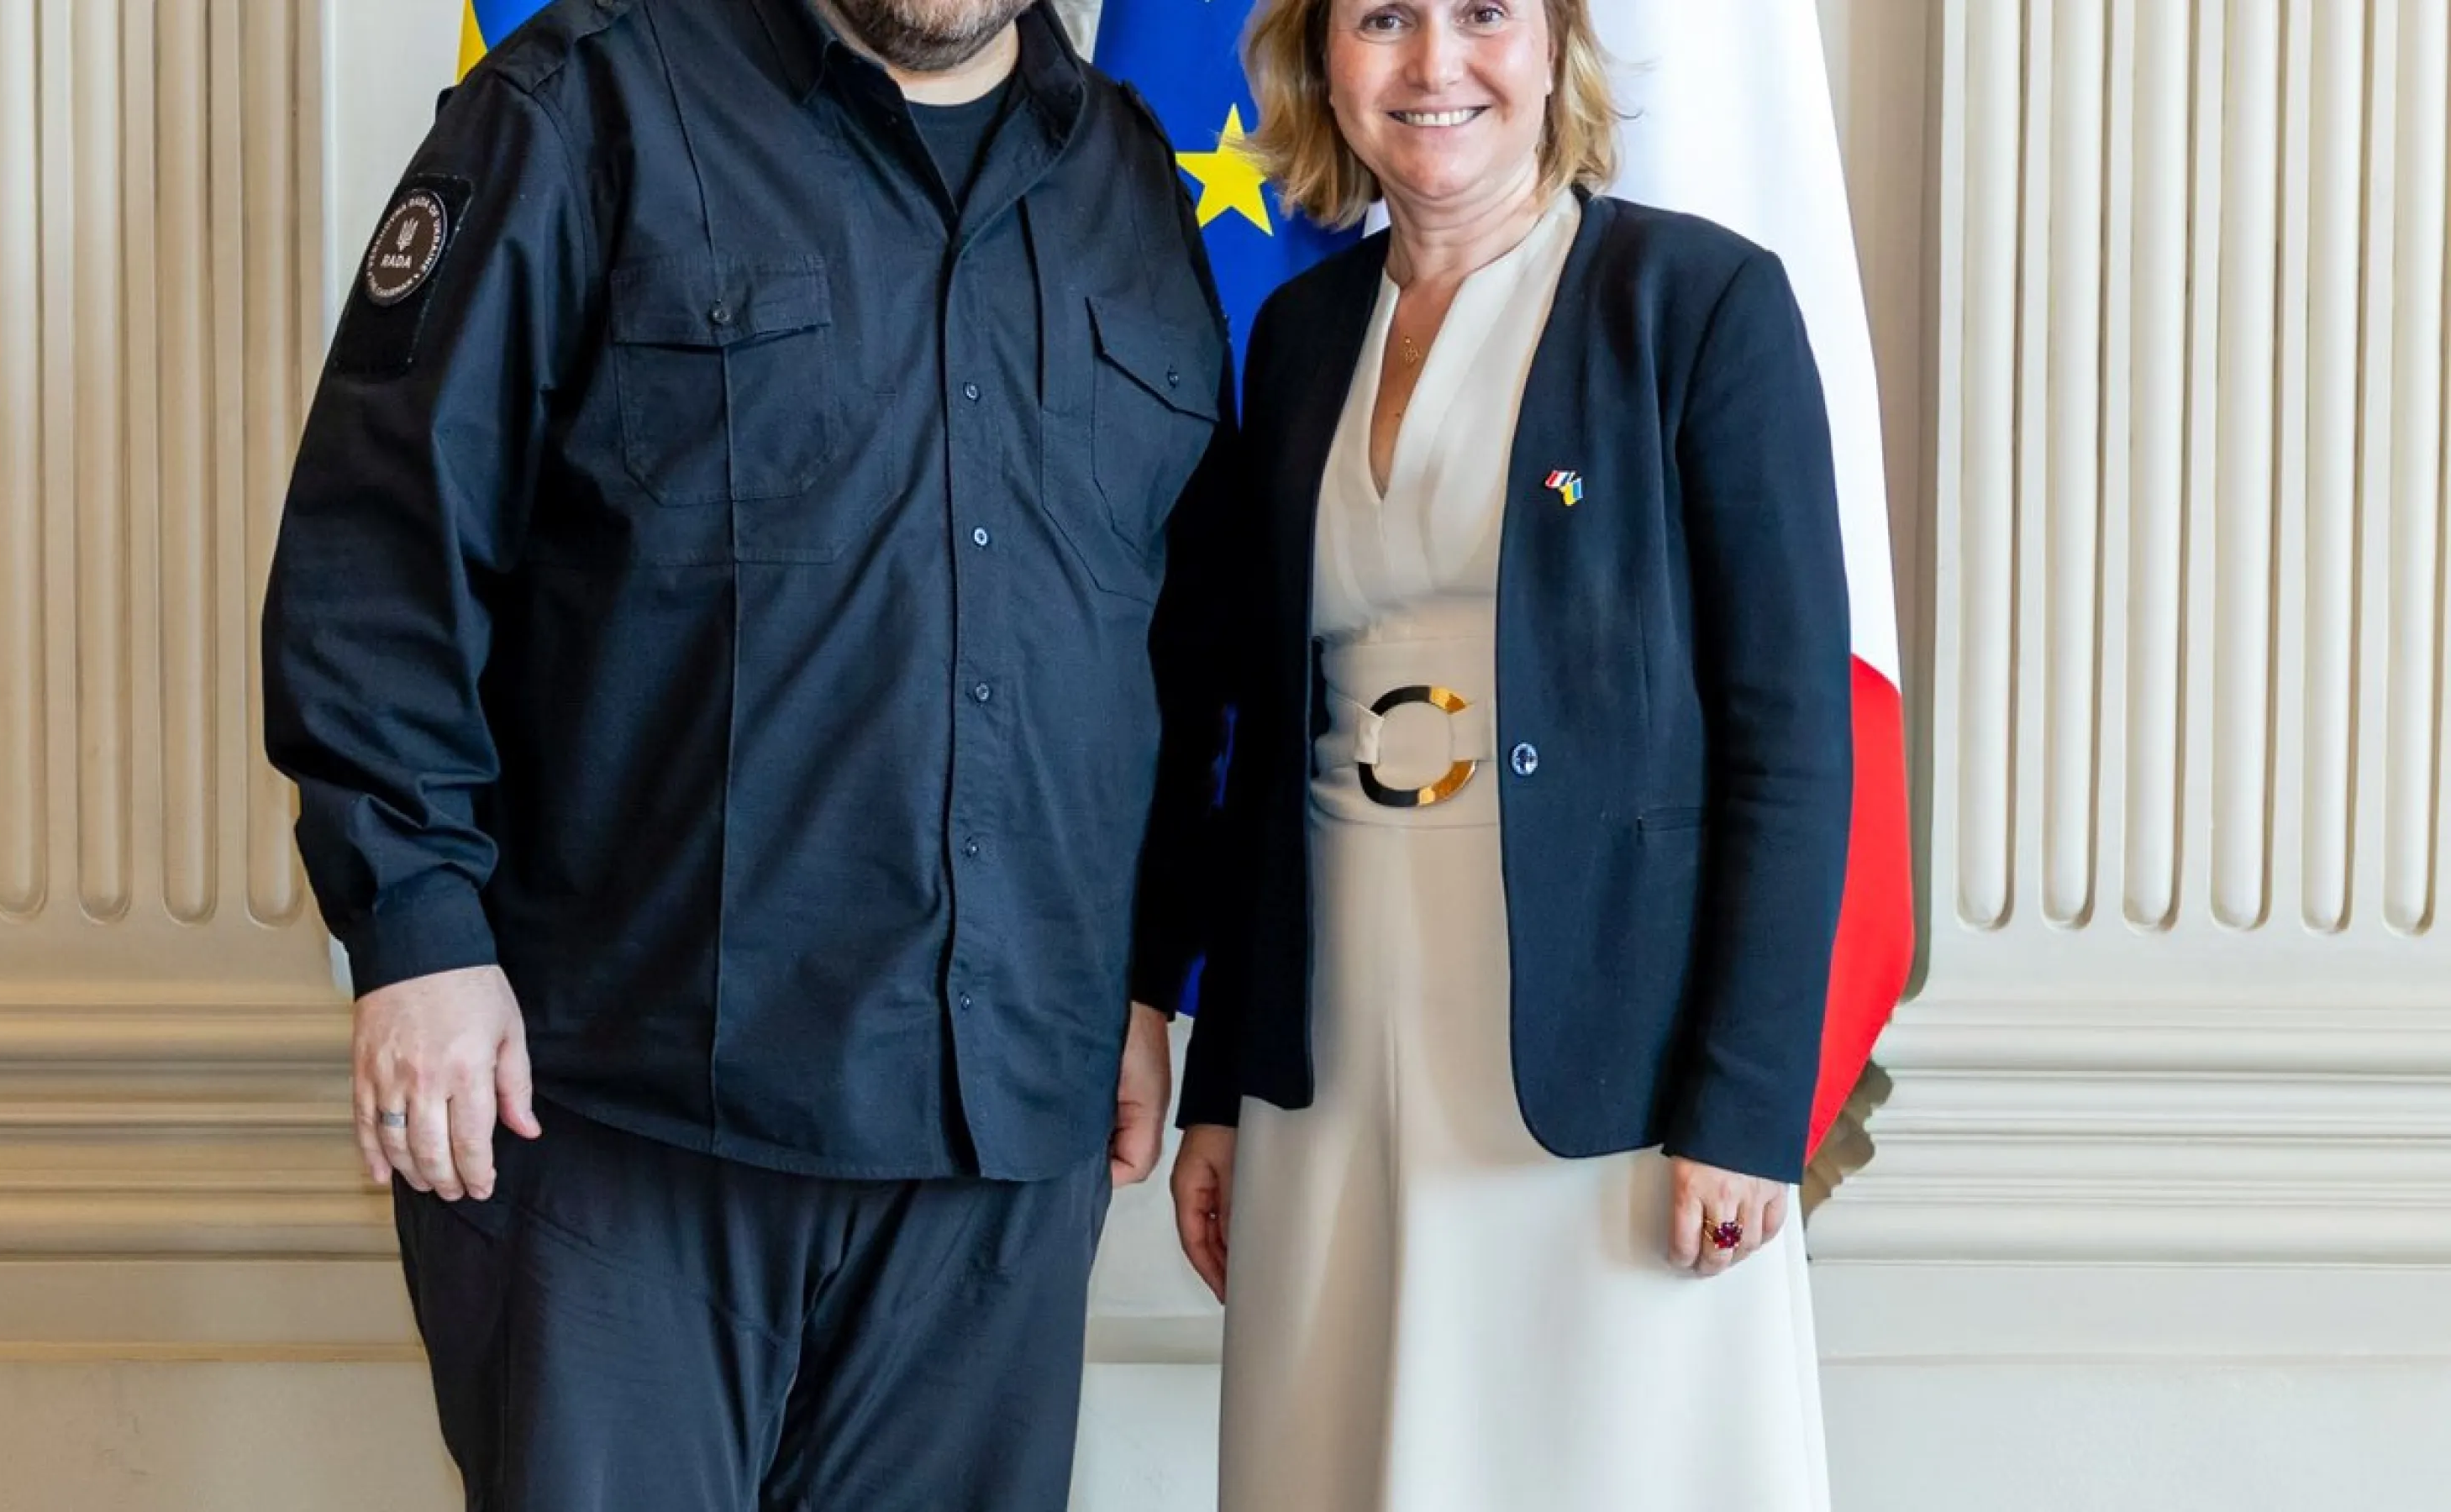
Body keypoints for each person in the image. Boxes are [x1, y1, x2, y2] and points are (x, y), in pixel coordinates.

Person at [260, 0, 1238, 1505]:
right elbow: (384, 551)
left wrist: (1141, 975)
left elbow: (1174, 637)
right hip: (622, 1115)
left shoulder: (1130, 178)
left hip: (998, 1132)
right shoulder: (583, 104)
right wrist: (413, 931)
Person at [1165, 0, 1851, 1507]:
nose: (1436, 65)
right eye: (1383, 19)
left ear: (1554, 47)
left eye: (1484, 13)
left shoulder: (1698, 304)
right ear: (1320, 60)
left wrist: (1747, 1110)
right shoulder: (1297, 336)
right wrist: (1222, 1086)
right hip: (1334, 1038)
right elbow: (1257, 745)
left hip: (1610, 1051)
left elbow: (1791, 742)